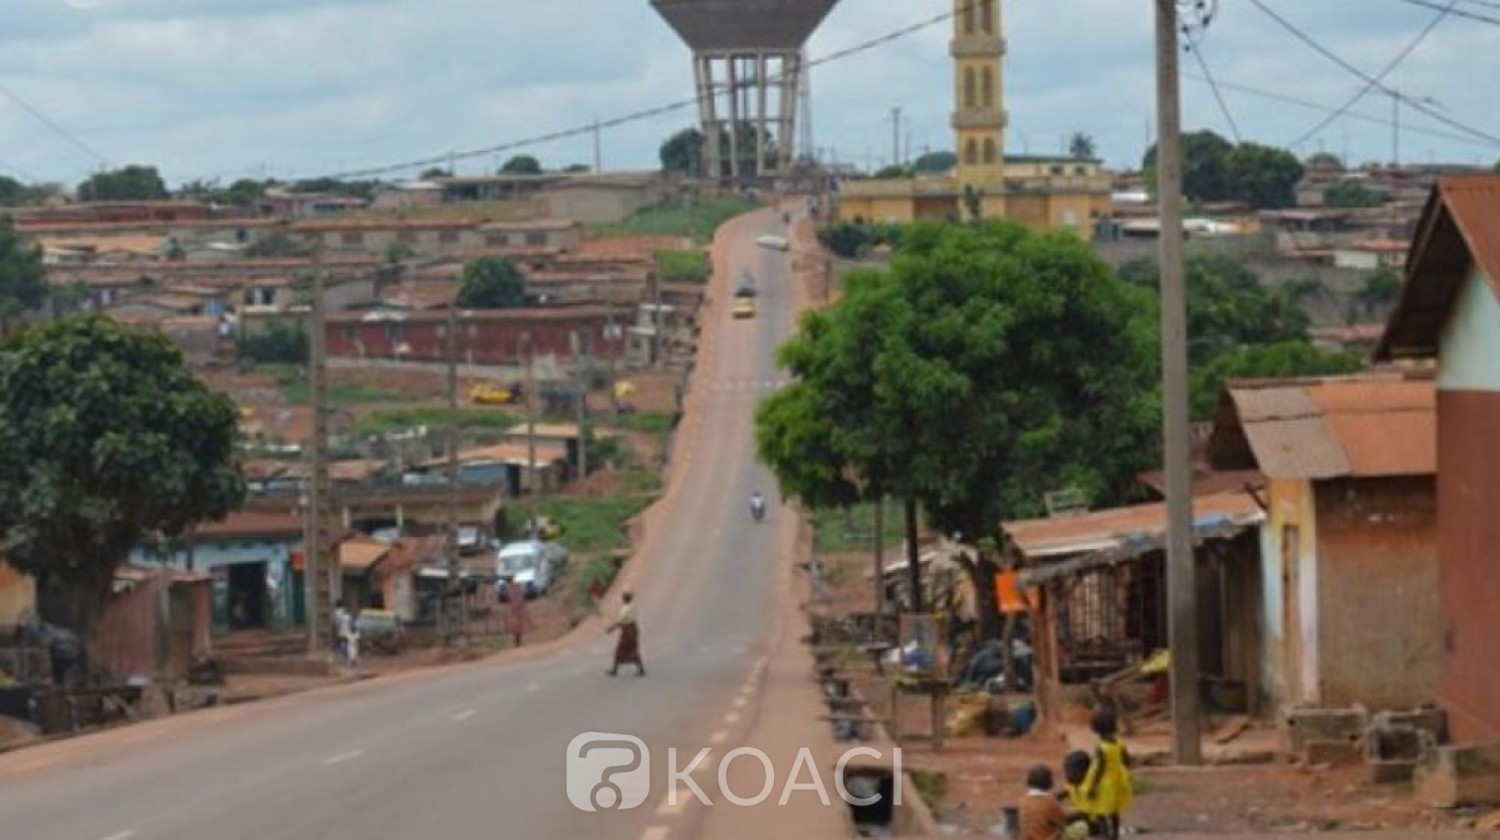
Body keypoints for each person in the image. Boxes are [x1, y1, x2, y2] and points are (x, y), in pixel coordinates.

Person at [1079, 709, 1133, 839]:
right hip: (1117, 781)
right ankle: (1114, 834)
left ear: (1096, 729)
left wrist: (1092, 786)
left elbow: (1098, 769)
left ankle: (1105, 834)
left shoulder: (1101, 747)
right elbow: (1126, 760)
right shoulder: (1119, 743)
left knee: (1100, 810)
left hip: (1105, 783)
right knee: (1114, 811)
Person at [1017, 764, 1069, 840]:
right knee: (1081, 827)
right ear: (1049, 782)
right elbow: (1063, 821)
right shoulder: (1049, 802)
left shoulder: (1023, 800)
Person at [1062, 750, 1100, 836]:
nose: (1069, 774)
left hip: (1093, 822)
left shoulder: (1091, 787)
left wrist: (1069, 817)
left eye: (1073, 771)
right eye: (1067, 770)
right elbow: (1067, 791)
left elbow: (1088, 813)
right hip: (1079, 819)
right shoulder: (1073, 784)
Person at [607, 591, 645, 677]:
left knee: (619, 651)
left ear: (624, 599)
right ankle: (641, 669)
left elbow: (621, 621)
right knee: (634, 650)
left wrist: (611, 628)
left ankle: (614, 670)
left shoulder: (625, 609)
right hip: (633, 630)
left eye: (623, 597)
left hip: (627, 632)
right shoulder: (632, 607)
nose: (622, 598)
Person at [506, 578, 530, 648]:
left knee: (518, 624)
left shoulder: (517, 588)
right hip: (515, 609)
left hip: (517, 609)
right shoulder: (513, 589)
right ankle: (517, 641)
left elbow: (520, 598)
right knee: (515, 624)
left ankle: (518, 641)